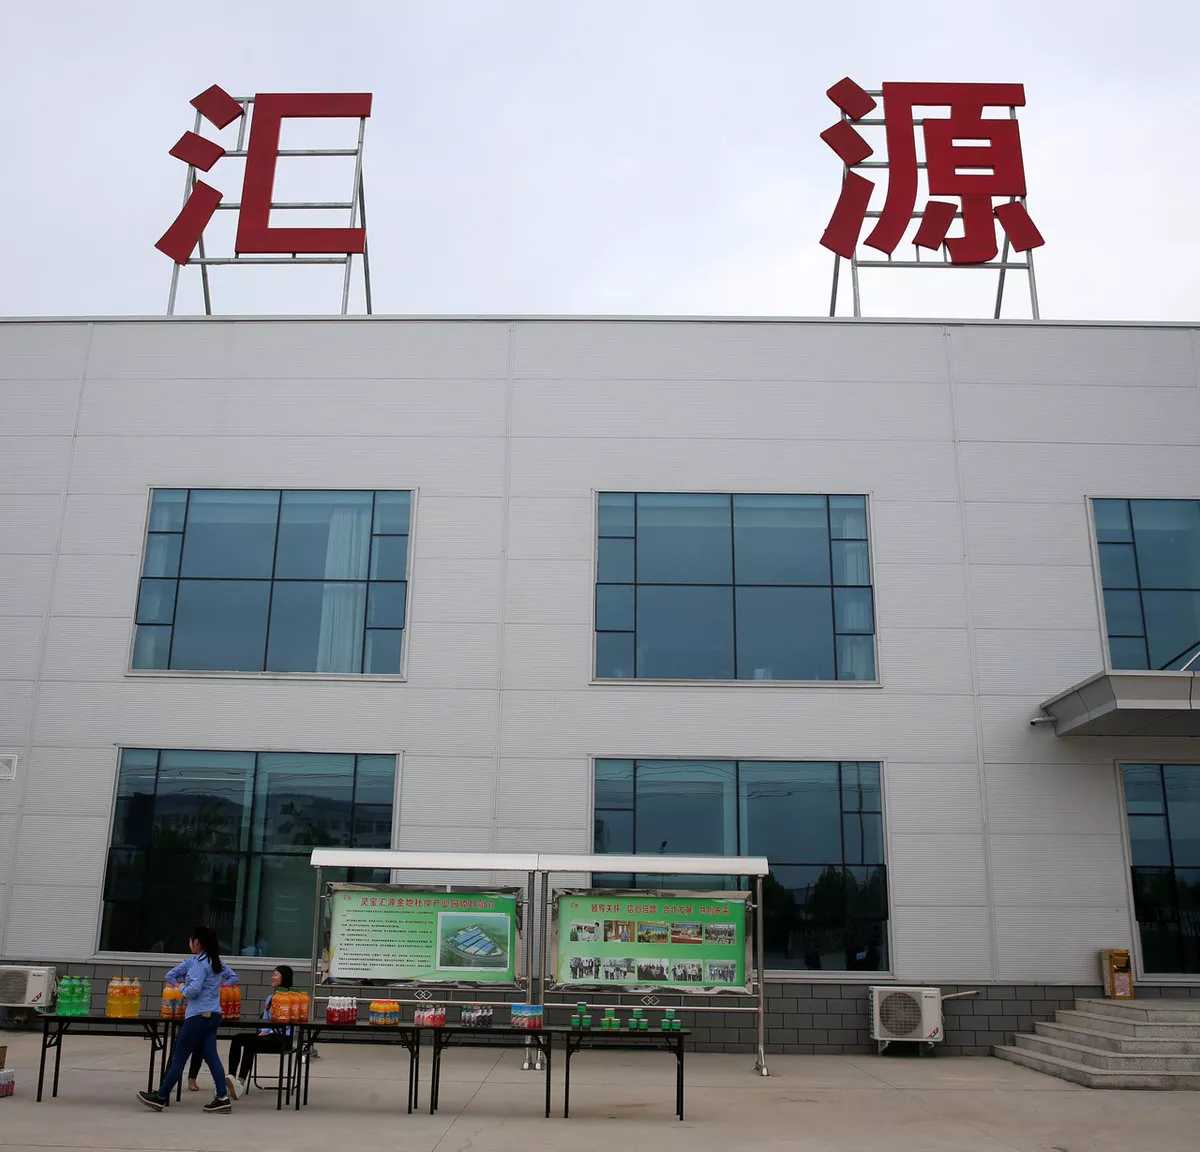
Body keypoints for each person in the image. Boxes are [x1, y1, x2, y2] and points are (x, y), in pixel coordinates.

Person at [136, 926, 232, 1114]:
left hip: (197, 1017)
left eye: (191, 940)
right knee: (211, 1057)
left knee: (179, 1057)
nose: (190, 944)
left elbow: (194, 990)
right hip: (213, 1015)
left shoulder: (199, 963)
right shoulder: (214, 961)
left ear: (197, 942)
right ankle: (222, 1098)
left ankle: (160, 1097)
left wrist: (181, 988)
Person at [221, 965, 294, 1101]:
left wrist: (269, 1031)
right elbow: (266, 1021)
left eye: (275, 975)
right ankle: (231, 1079)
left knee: (251, 1043)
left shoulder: (292, 999)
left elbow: (290, 1023)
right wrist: (264, 1031)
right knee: (237, 1038)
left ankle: (240, 1083)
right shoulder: (270, 998)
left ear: (284, 978)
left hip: (282, 1039)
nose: (272, 977)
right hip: (267, 1036)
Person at [182, 959, 239, 1092]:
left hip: (205, 1010)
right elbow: (171, 975)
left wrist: (221, 988)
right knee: (189, 1051)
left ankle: (165, 1092)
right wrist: (182, 985)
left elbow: (233, 977)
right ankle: (221, 1093)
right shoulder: (190, 962)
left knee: (193, 1050)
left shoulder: (214, 962)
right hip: (196, 1009)